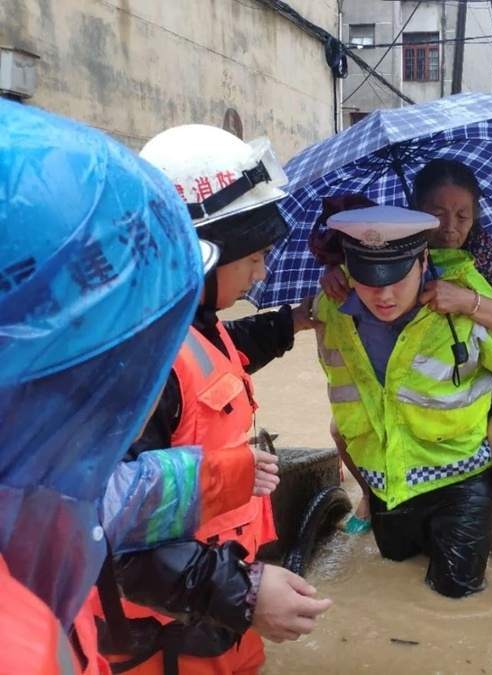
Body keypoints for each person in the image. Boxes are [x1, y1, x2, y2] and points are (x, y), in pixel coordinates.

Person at [98, 125, 330, 674]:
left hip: (209, 617)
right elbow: (120, 541)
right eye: (254, 257)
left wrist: (292, 321)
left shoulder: (189, 321)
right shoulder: (139, 367)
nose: (263, 271)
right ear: (198, 253)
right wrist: (246, 594)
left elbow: (227, 353)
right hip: (167, 638)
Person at [0, 100, 206, 673]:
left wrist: (220, 475)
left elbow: (100, 499)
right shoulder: (23, 649)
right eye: (144, 363)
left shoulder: (26, 485)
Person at [312, 204, 492, 597]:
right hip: (389, 477)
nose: (383, 295)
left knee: (456, 595)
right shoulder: (331, 308)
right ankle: (371, 504)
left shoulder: (465, 299)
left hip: (460, 477)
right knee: (392, 564)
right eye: (368, 279)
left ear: (423, 261)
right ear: (350, 269)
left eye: (396, 277)